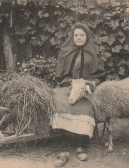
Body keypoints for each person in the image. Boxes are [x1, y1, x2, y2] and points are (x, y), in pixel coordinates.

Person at [52, 22, 105, 166]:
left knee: (85, 108)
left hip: (85, 90)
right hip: (67, 86)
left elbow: (99, 76)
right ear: (72, 36)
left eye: (82, 35)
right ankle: (63, 143)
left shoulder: (93, 53)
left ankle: (81, 145)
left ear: (87, 37)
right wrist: (71, 83)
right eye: (76, 35)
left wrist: (89, 84)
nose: (79, 38)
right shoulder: (66, 51)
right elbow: (60, 76)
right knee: (57, 101)